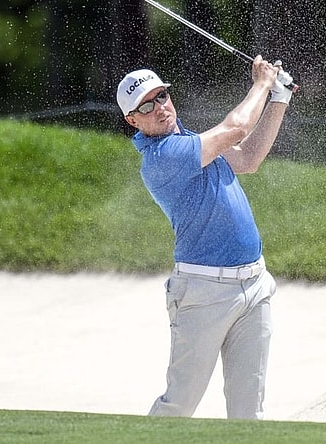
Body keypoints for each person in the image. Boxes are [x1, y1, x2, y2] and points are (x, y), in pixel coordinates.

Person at [115, 56, 293, 419]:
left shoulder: (191, 140)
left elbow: (248, 158)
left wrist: (279, 97)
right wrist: (262, 83)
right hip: (204, 292)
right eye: (145, 107)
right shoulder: (162, 156)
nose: (159, 108)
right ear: (133, 121)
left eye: (161, 96)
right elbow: (236, 128)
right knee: (179, 405)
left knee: (249, 411)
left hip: (255, 284)